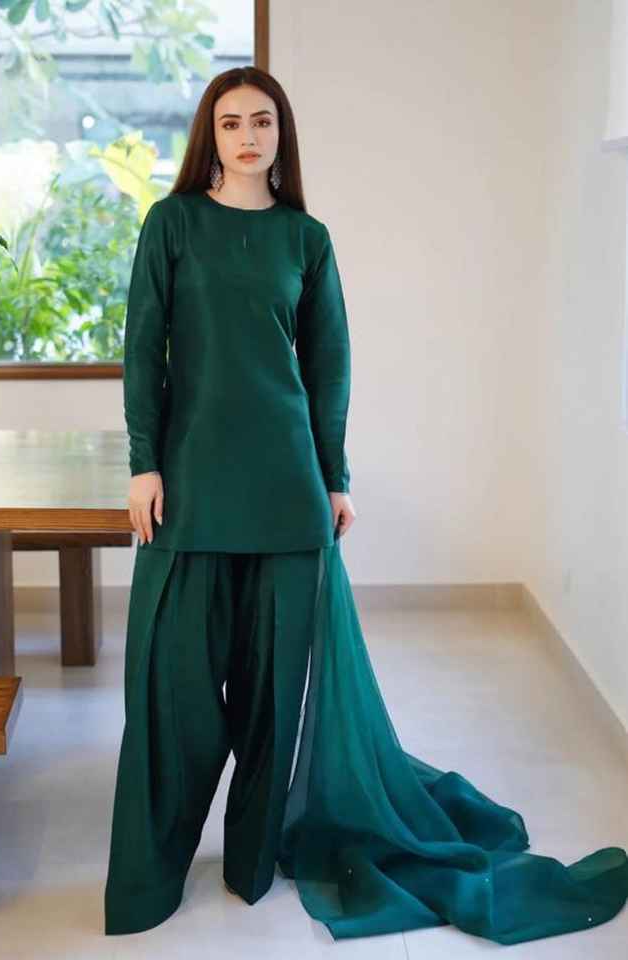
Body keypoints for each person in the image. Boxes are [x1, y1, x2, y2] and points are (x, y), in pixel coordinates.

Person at [104, 66, 628, 945]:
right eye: (230, 122)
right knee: (172, 691)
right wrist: (144, 464)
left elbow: (328, 366)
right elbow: (142, 348)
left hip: (287, 489)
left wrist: (335, 476)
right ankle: (150, 875)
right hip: (189, 485)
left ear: (282, 133)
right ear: (209, 135)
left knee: (274, 698)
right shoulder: (173, 225)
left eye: (262, 121)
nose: (247, 136)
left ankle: (249, 864)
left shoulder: (306, 239)